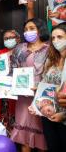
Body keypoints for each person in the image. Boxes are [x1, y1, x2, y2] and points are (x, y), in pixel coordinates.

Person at [10, 18, 50, 152]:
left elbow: (53, 74)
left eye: (32, 28)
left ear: (40, 29)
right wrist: (2, 83)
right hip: (23, 97)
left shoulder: (49, 49)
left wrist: (40, 86)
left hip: (42, 97)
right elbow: (12, 71)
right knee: (24, 136)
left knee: (43, 136)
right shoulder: (19, 49)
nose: (28, 32)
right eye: (26, 29)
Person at [37, 22, 66, 152]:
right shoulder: (51, 59)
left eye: (60, 37)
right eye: (53, 38)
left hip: (64, 116)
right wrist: (36, 104)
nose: (55, 41)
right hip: (48, 113)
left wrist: (64, 115)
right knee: (53, 147)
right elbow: (44, 82)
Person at [0, 29, 21, 133]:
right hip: (2, 95)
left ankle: (16, 145)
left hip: (18, 96)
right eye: (6, 38)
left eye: (11, 38)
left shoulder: (23, 53)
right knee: (3, 122)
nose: (8, 40)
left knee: (18, 122)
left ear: (18, 39)